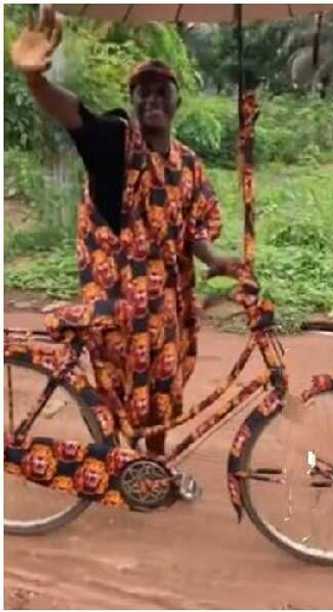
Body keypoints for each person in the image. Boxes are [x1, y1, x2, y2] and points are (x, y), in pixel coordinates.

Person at [10, 6, 239, 494]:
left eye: (162, 91)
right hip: (117, 301)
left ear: (177, 102)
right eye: (144, 92)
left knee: (161, 395)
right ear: (133, 102)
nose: (153, 99)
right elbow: (75, 114)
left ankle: (149, 472)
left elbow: (192, 230)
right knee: (121, 394)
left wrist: (216, 260)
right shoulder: (117, 142)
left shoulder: (189, 166)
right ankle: (124, 469)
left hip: (166, 305)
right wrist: (36, 83)